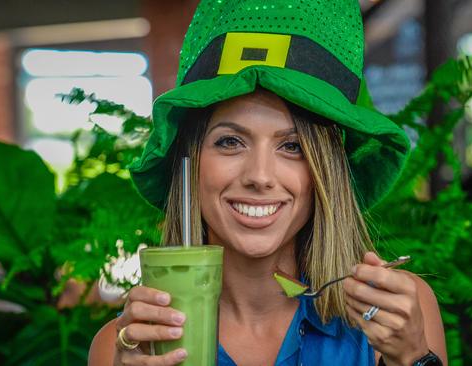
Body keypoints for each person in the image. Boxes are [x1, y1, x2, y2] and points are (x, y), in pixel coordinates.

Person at [89, 1, 446, 365]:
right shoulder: (125, 348)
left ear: (325, 174)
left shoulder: (397, 320)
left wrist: (413, 359)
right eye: (230, 141)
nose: (259, 176)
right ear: (191, 163)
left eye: (292, 146)